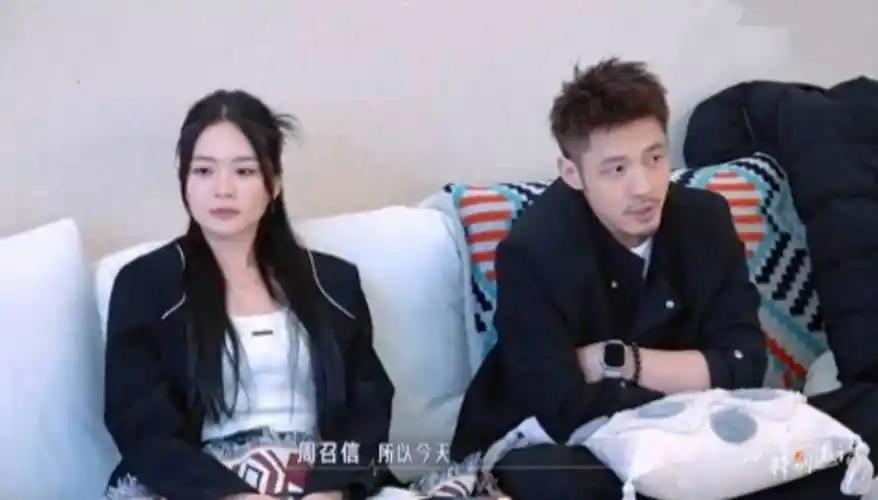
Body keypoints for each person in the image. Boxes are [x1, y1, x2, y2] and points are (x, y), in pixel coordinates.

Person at [451, 59, 878, 499]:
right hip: (581, 443)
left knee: (870, 413)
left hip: (704, 425)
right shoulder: (533, 250)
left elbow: (745, 363)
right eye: (617, 169)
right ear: (572, 174)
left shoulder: (705, 219)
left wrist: (616, 362)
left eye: (654, 158)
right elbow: (563, 407)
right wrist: (695, 382)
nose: (644, 187)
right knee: (551, 479)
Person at [103, 90, 394, 500]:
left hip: (319, 479)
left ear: (274, 184)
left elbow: (369, 405)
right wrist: (234, 496)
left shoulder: (332, 282)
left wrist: (329, 489)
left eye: (244, 171)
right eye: (203, 170)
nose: (222, 189)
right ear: (185, 181)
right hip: (196, 487)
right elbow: (139, 424)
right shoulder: (145, 284)